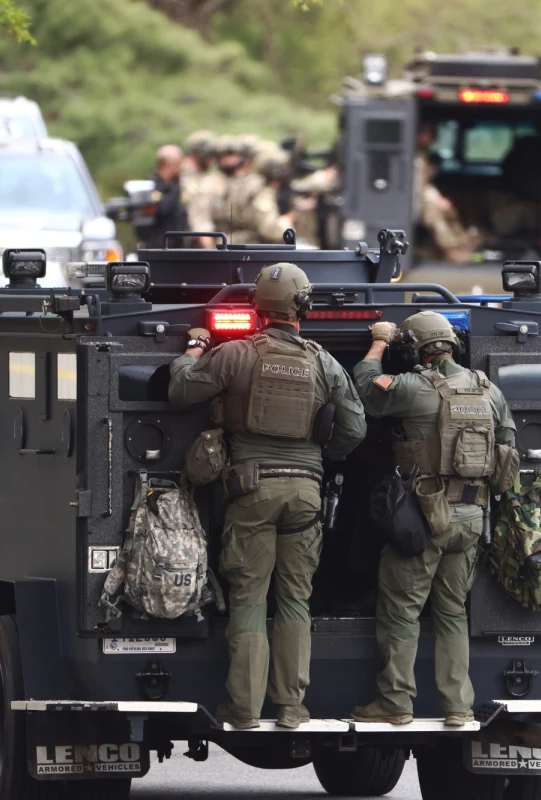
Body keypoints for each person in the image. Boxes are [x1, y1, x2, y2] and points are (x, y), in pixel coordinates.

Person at [167, 263, 367, 730]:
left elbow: (181, 389)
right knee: (296, 599)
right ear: (304, 306)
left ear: (257, 307)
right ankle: (293, 708)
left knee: (250, 599)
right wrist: (321, 454)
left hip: (252, 489)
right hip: (306, 492)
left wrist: (193, 349)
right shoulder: (325, 362)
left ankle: (244, 710)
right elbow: (354, 429)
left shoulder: (236, 353)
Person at [351, 311, 516, 727]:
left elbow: (367, 388)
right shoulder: (487, 388)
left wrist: (379, 343)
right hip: (472, 518)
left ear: (416, 349)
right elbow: (508, 444)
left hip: (425, 518)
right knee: (452, 612)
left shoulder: (415, 387)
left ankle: (394, 703)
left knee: (402, 612)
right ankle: (458, 708)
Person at [418, 154, 479, 263]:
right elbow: (419, 189)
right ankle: (451, 248)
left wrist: (440, 200)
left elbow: (426, 188)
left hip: (427, 198)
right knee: (434, 211)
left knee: (450, 212)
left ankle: (461, 242)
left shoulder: (423, 159)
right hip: (420, 203)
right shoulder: (417, 161)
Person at [136, 144, 190, 249]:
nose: (182, 168)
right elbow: (163, 208)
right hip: (157, 249)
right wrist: (177, 188)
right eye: (180, 164)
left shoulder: (172, 186)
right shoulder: (151, 186)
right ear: (171, 165)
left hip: (177, 248)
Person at [183, 130, 226, 248]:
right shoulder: (190, 180)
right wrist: (210, 251)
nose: (213, 161)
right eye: (211, 155)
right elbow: (200, 220)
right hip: (193, 241)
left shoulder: (199, 177)